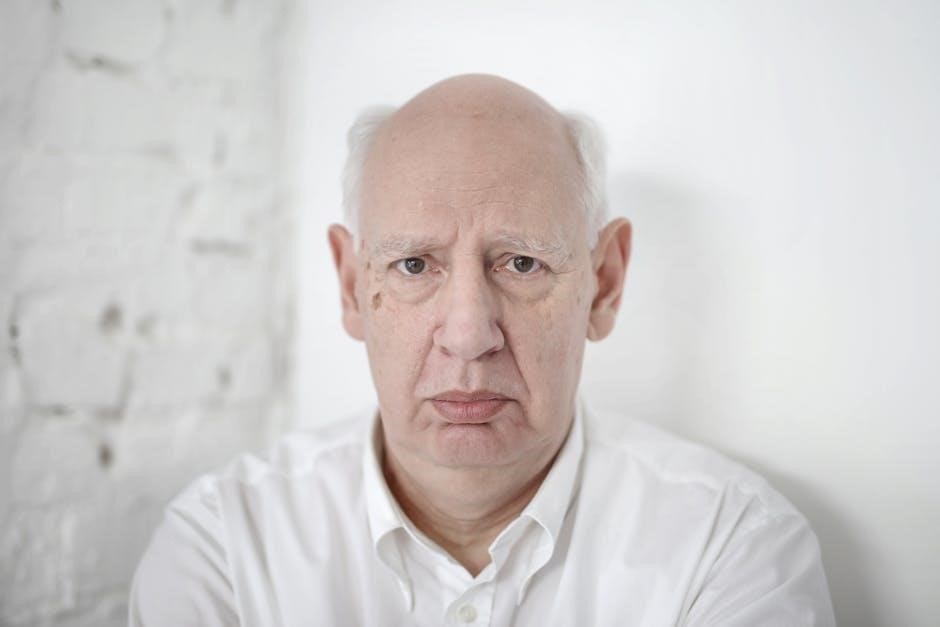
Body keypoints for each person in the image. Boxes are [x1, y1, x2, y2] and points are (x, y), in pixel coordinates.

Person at [129, 74, 835, 626]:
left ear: (604, 284)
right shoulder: (224, 548)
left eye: (522, 263)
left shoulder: (730, 547)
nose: (468, 336)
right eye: (413, 265)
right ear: (351, 286)